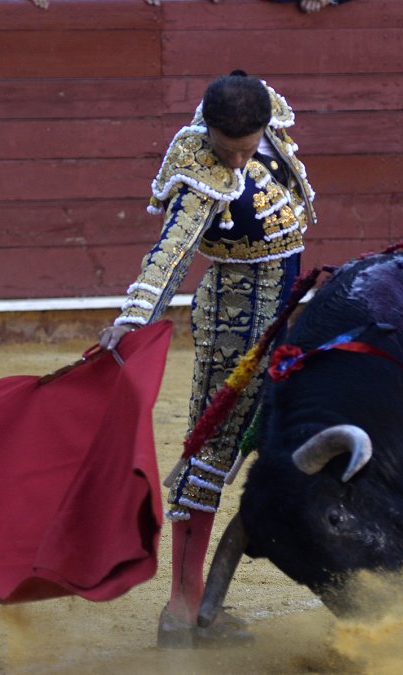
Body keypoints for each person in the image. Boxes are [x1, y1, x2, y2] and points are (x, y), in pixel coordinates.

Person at [98, 71, 316, 648]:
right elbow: (170, 252)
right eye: (227, 148)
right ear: (209, 131)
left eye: (245, 148)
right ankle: (181, 609)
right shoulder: (198, 169)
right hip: (234, 318)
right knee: (210, 451)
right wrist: (134, 318)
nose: (237, 158)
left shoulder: (267, 113)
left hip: (286, 308)